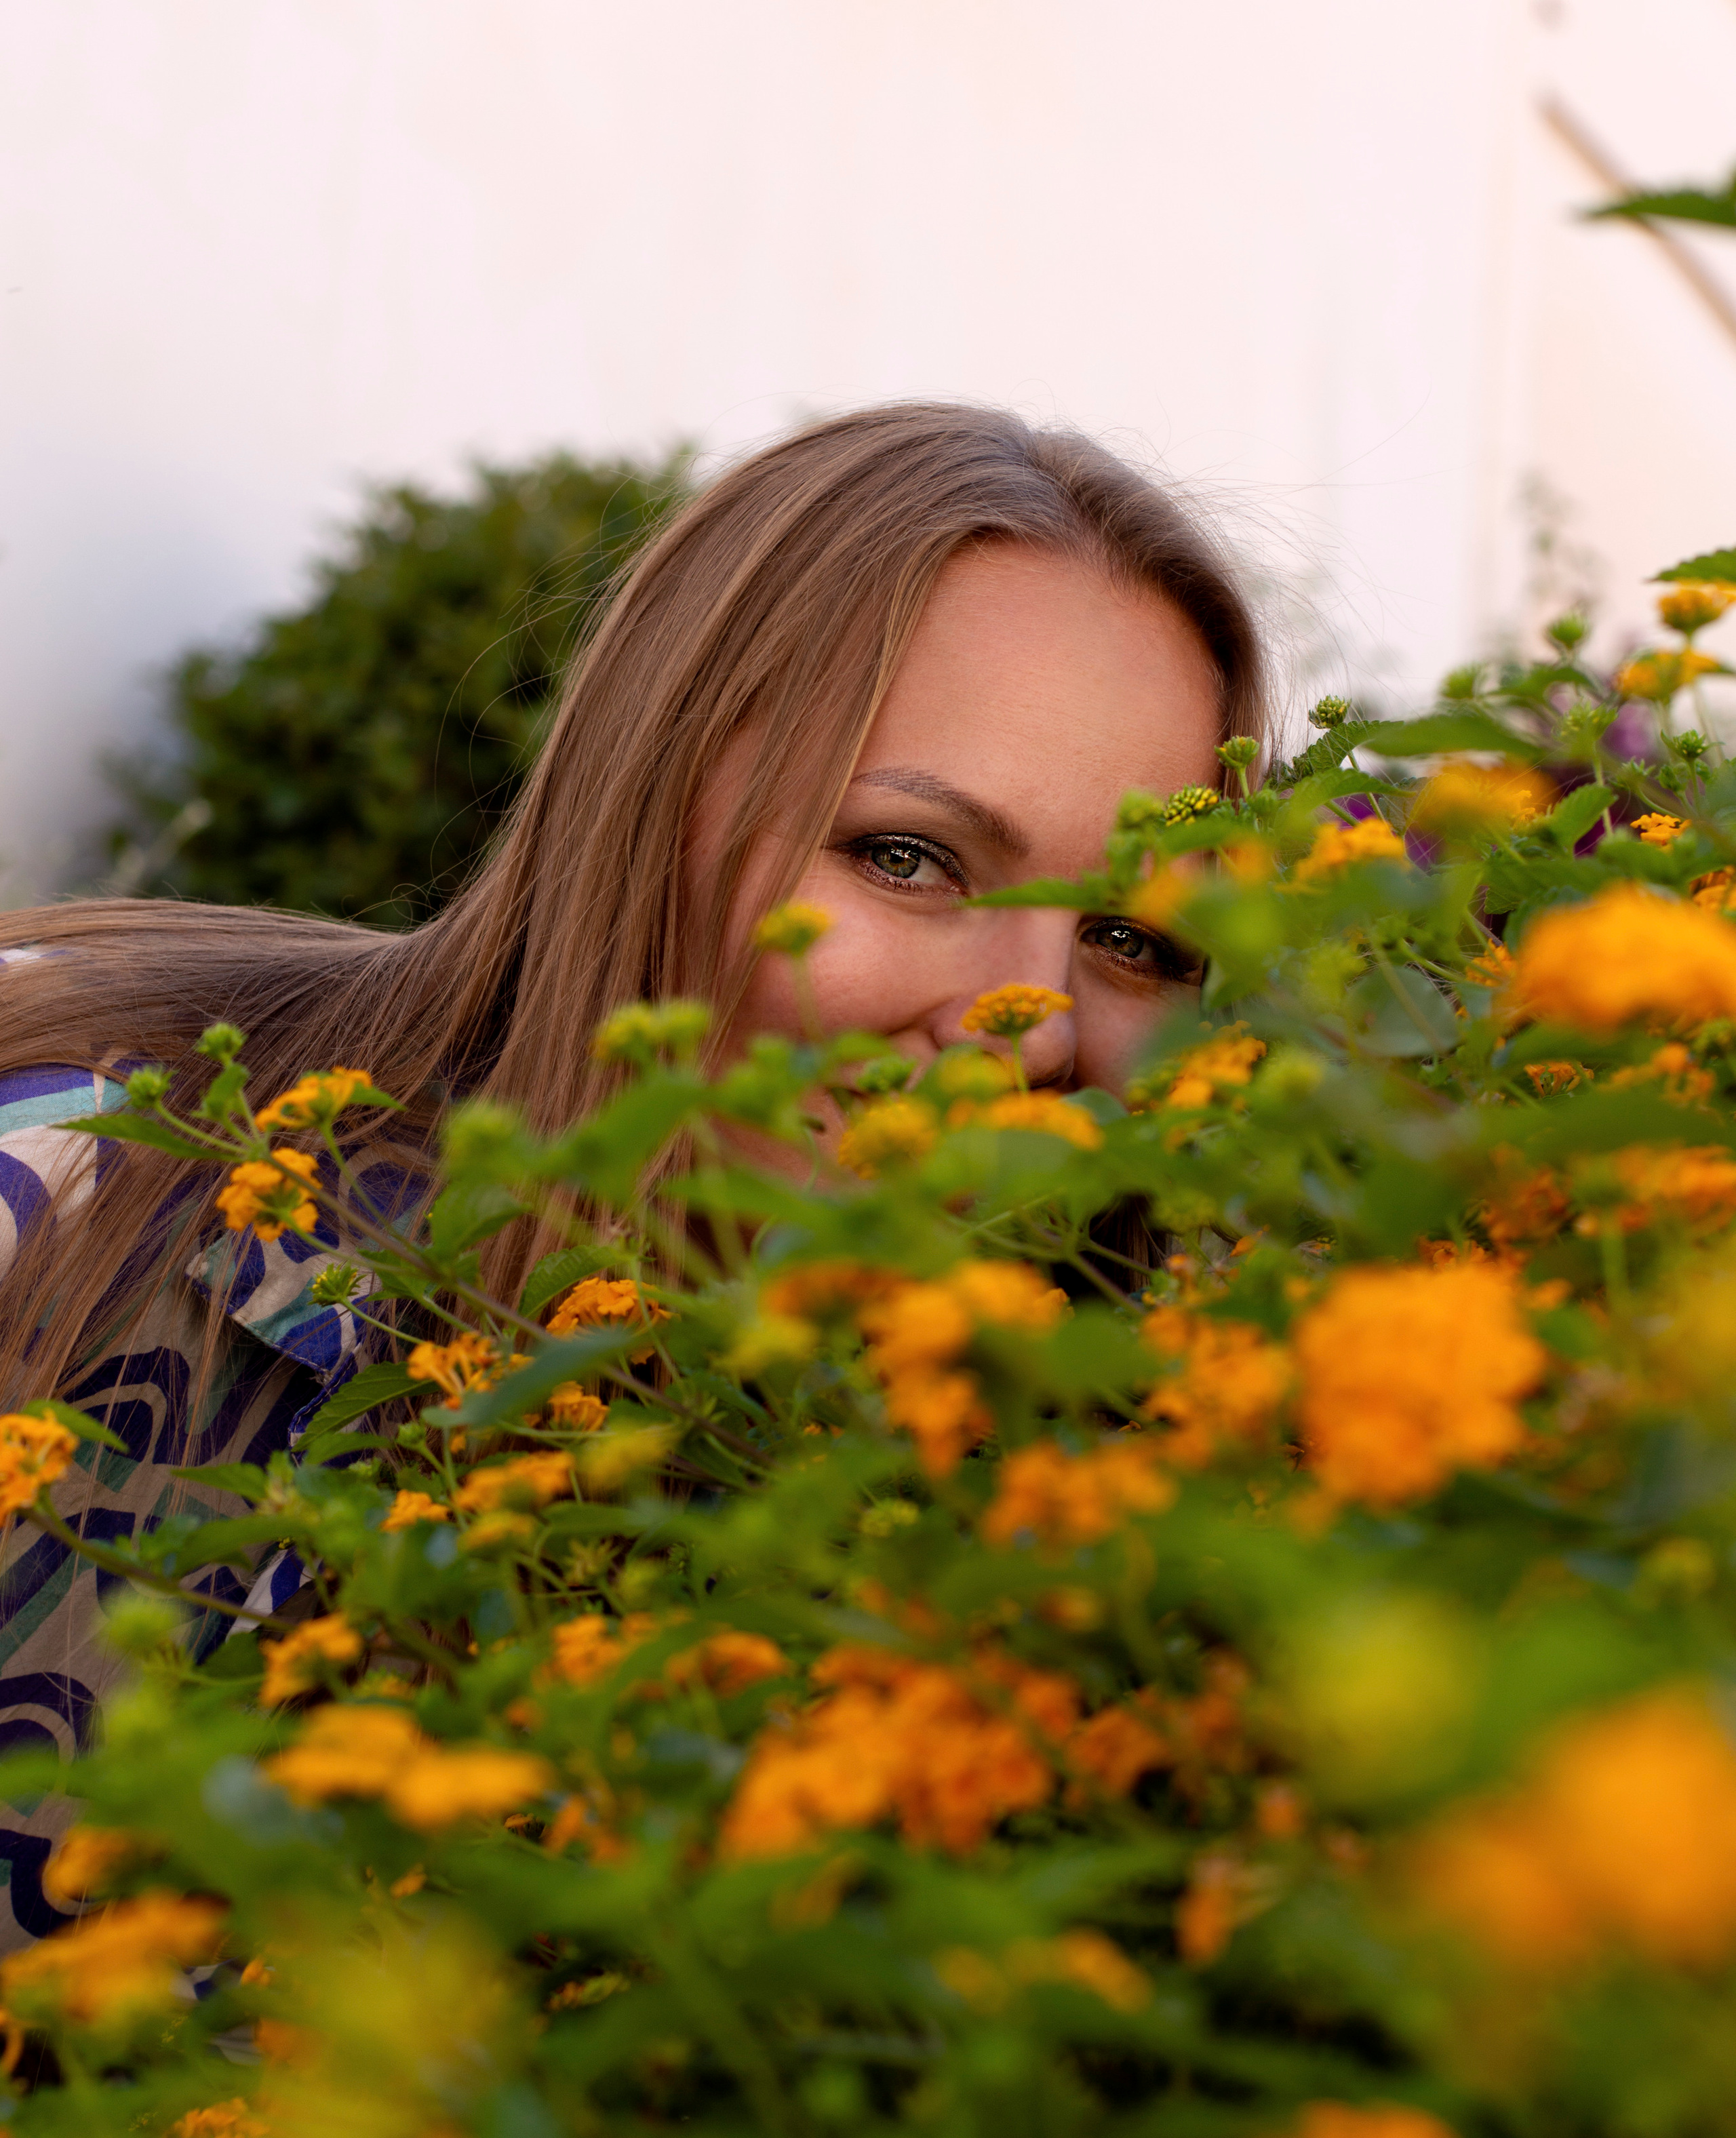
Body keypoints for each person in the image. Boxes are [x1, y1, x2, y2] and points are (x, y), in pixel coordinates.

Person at [0, 399, 1265, 1940]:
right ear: (648, 793)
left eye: (1132, 938)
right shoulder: (72, 1177)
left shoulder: (1082, 1579)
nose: (1033, 1020)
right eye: (906, 856)